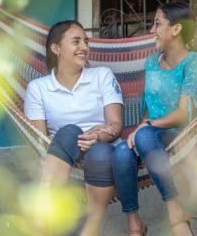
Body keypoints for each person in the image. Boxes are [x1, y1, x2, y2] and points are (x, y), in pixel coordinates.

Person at [112, 2, 197, 236]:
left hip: (178, 134)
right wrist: (140, 131)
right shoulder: (152, 61)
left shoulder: (194, 61)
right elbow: (149, 107)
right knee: (122, 152)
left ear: (175, 29)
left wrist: (145, 127)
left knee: (142, 134)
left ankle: (175, 211)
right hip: (150, 134)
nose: (152, 30)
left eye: (157, 23)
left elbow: (184, 115)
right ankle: (135, 226)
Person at [24, 20, 123, 236]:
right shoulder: (38, 88)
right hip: (63, 154)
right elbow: (39, 141)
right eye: (76, 41)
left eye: (86, 41)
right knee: (69, 132)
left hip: (104, 149)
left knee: (99, 151)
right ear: (56, 48)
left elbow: (115, 125)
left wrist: (98, 134)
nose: (84, 47)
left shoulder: (102, 75)